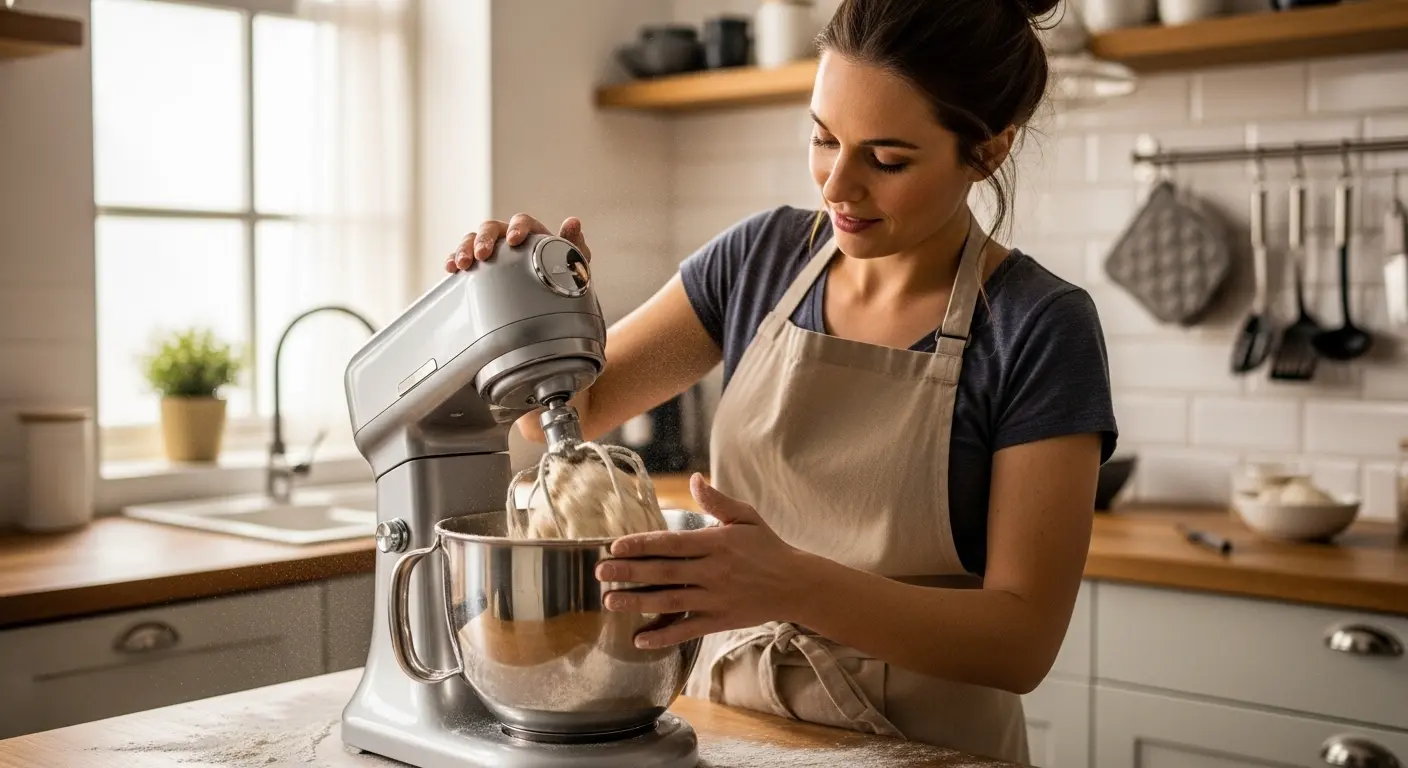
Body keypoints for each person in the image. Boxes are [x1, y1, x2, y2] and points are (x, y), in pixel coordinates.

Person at [446, 0, 1117, 761]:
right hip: (736, 735)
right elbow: (568, 411)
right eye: (824, 138)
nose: (838, 186)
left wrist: (788, 584)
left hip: (928, 750)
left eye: (887, 160)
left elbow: (1021, 644)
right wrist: (532, 305)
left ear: (988, 151)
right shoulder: (758, 262)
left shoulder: (1039, 325)